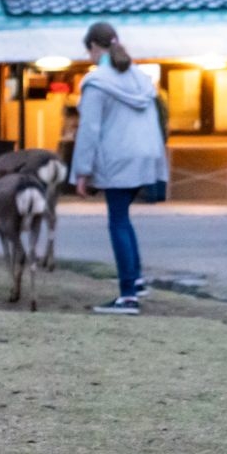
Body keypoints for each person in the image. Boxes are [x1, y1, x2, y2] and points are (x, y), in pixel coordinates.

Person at [69, 22, 169, 315]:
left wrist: (81, 172)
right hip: (147, 156)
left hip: (118, 158)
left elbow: (89, 130)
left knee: (118, 221)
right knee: (124, 219)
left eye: (88, 52)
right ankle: (135, 281)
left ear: (94, 48)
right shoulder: (141, 78)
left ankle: (127, 296)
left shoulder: (97, 82)